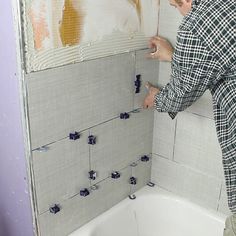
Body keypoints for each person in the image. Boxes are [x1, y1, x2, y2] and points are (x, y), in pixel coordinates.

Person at [143, 0, 236, 235]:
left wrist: (158, 98)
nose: (180, 12)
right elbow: (222, 61)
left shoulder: (196, 24)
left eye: (175, 7)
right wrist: (176, 56)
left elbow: (180, 95)